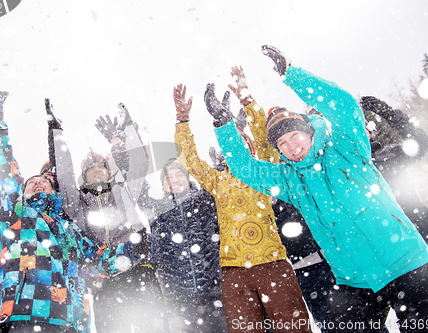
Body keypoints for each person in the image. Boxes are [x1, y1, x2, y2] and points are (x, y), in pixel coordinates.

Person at [208, 46, 428, 332]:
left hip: (408, 264)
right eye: (282, 143)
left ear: (308, 131)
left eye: (295, 135)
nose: (292, 146)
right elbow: (245, 168)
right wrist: (223, 126)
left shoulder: (347, 149)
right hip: (355, 282)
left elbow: (343, 105)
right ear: (279, 150)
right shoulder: (288, 179)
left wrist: (291, 74)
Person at [0, 70, 147, 333]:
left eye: (45, 181)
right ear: (20, 191)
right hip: (23, 317)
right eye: (31, 181)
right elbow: (0, 166)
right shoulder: (15, 212)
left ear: (54, 190)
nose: (38, 182)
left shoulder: (70, 230)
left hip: (67, 322)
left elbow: (99, 261)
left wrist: (131, 251)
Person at [174, 83, 311, 333]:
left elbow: (265, 138)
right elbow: (189, 160)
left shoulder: (262, 173)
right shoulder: (217, 181)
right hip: (233, 272)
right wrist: (182, 121)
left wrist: (248, 102)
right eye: (232, 145)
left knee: (293, 329)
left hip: (273, 264)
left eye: (242, 144)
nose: (236, 149)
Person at [228, 65, 334, 332]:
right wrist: (231, 129)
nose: (290, 145)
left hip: (341, 254)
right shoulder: (261, 179)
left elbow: (269, 140)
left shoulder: (285, 163)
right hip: (306, 264)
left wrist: (248, 102)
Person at [45, 102, 165, 333]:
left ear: (109, 171)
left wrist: (128, 129)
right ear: (84, 176)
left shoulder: (124, 190)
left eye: (101, 166)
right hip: (104, 277)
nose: (97, 169)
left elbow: (139, 163)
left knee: (153, 327)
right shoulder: (77, 203)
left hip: (139, 268)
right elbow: (65, 175)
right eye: (90, 168)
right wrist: (56, 132)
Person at [137, 158, 228, 333]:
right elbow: (137, 181)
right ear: (163, 184)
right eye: (168, 177)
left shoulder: (205, 200)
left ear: (188, 178)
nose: (174, 180)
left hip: (214, 295)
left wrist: (220, 161)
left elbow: (219, 178)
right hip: (177, 300)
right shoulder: (157, 208)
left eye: (179, 175)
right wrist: (122, 144)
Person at [360, 96, 428, 278]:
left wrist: (389, 114)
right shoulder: (346, 171)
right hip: (395, 253)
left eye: (363, 126)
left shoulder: (389, 154)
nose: (360, 132)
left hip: (427, 236)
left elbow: (422, 143)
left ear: (369, 130)